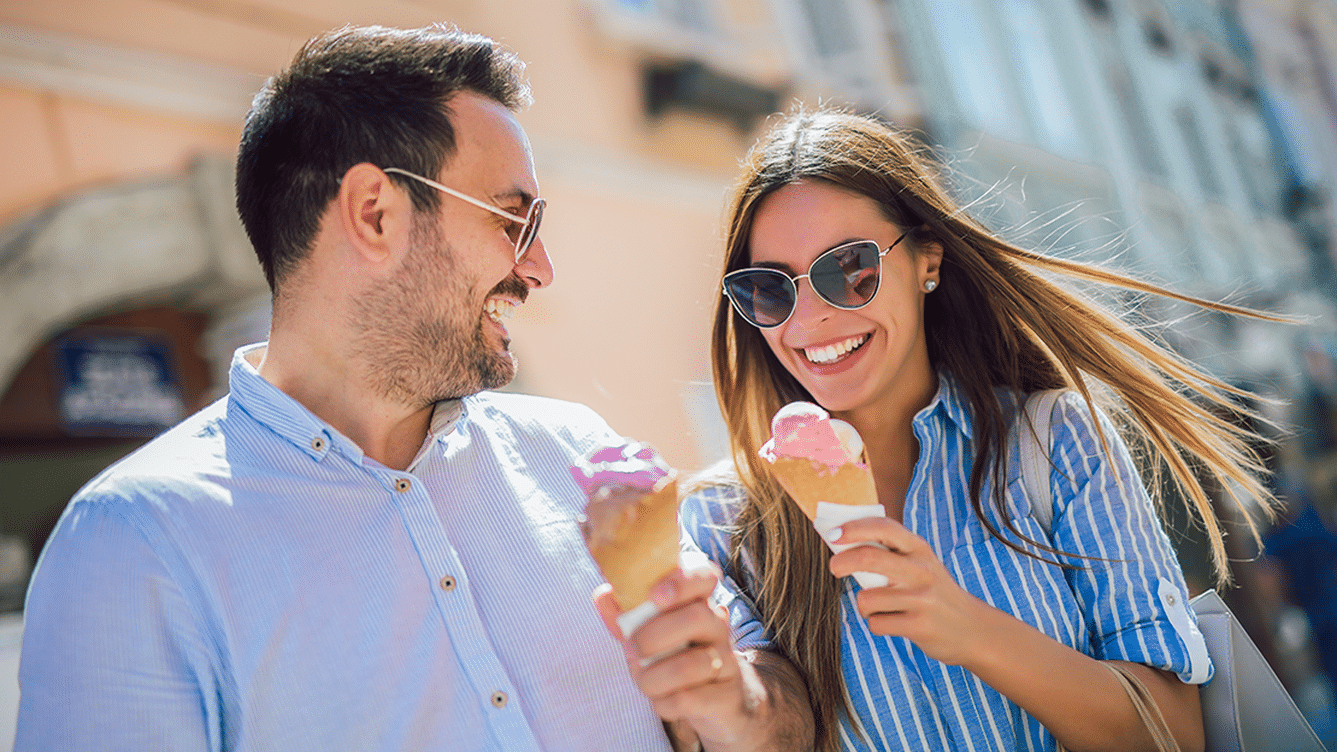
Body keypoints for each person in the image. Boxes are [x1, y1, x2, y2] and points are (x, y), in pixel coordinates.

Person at [15, 25, 808, 752]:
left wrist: (731, 699)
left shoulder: (580, 455)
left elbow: (784, 715)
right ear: (375, 213)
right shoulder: (132, 545)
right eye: (513, 221)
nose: (538, 269)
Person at [682, 108, 1284, 752]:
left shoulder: (1054, 442)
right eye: (771, 290)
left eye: (849, 270)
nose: (811, 319)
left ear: (927, 261)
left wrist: (968, 628)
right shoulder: (721, 526)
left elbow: (1174, 734)